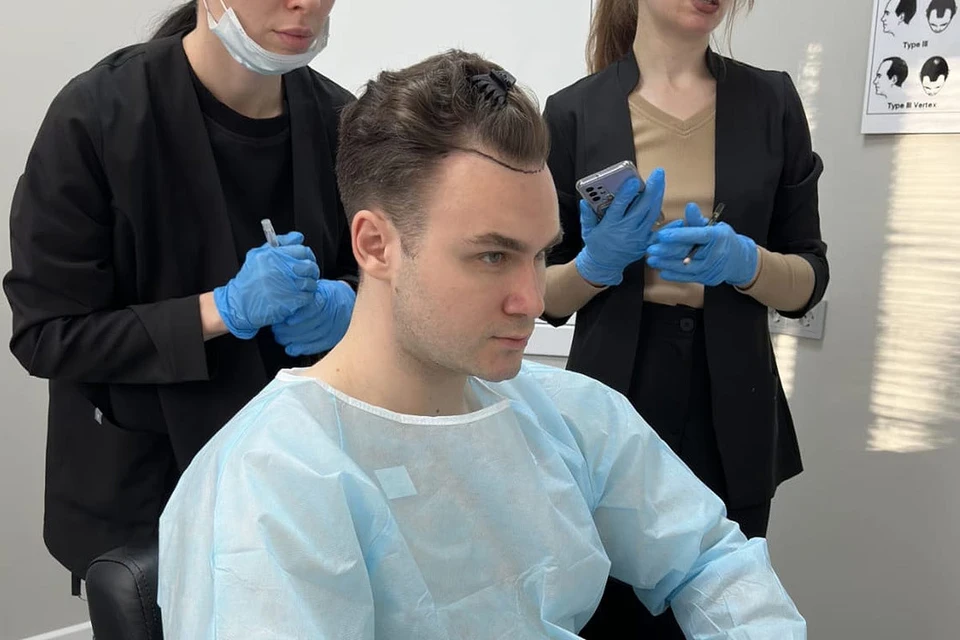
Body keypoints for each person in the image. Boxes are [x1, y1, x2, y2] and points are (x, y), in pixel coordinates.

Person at [158, 49, 806, 639]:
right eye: (493, 256)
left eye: (540, 255)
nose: (531, 299)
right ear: (376, 246)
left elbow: (710, 557)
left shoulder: (568, 415)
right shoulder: (273, 480)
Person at [2, 0, 357, 586]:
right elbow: (48, 334)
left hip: (300, 478)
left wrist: (352, 301)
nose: (307, 4)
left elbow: (384, 270)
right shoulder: (98, 116)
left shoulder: (343, 121)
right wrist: (221, 310)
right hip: (147, 490)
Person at [540, 0, 828, 636]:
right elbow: (541, 295)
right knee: (607, 610)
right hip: (614, 391)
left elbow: (809, 277)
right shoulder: (573, 112)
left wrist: (745, 262)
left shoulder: (772, 102)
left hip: (733, 397)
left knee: (725, 602)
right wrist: (596, 264)